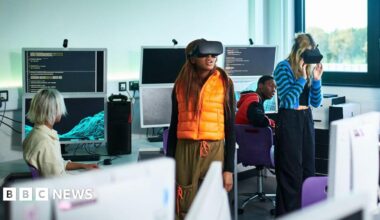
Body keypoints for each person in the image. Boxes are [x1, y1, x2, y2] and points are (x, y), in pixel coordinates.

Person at [166, 39, 236, 219]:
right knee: (184, 201)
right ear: (192, 58)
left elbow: (230, 127)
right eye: (205, 54)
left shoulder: (225, 83)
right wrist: (168, 164)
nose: (211, 58)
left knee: (211, 202)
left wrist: (229, 169)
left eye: (214, 55)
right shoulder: (180, 85)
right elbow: (174, 125)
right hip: (185, 150)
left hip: (214, 149)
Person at [273, 33, 323, 216]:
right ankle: (288, 215)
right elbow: (286, 101)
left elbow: (316, 102)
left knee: (308, 170)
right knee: (290, 172)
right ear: (299, 52)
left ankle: (306, 214)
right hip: (289, 120)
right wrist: (301, 79)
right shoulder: (282, 68)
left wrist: (316, 80)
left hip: (305, 118)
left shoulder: (310, 69)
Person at [23, 89, 98, 177]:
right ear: (53, 110)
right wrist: (87, 178)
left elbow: (57, 164)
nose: (61, 112)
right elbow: (58, 181)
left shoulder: (35, 134)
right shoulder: (46, 142)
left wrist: (84, 166)